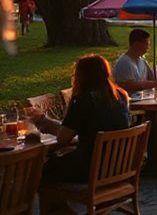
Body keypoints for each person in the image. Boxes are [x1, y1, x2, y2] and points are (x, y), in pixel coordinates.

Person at [30, 55, 131, 184]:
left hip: (90, 168)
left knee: (39, 170)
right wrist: (50, 123)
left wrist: (49, 125)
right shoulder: (120, 96)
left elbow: (63, 139)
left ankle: (47, 203)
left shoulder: (84, 101)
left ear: (82, 77)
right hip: (117, 166)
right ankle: (59, 204)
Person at [111, 28, 157, 93]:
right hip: (129, 100)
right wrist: (153, 84)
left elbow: (152, 77)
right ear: (136, 44)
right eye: (146, 44)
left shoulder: (142, 59)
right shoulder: (125, 62)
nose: (148, 47)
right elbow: (129, 85)